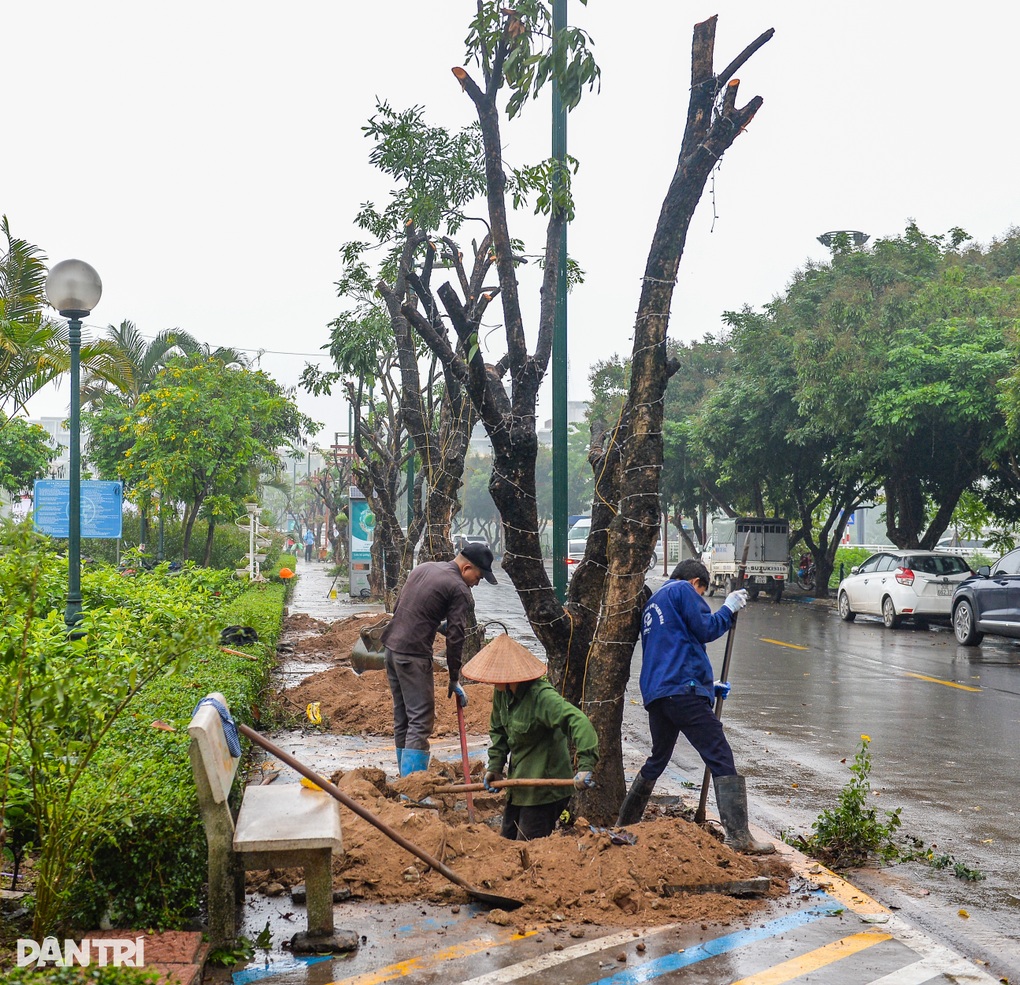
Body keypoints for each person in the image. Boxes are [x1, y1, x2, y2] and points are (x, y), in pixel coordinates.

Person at [616, 558, 774, 854]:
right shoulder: (682, 591)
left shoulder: (654, 603)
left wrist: (707, 686)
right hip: (682, 692)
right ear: (695, 583)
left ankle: (624, 824)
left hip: (660, 694)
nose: (700, 598)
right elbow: (705, 629)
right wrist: (727, 609)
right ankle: (739, 835)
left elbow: (674, 649)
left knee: (658, 758)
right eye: (702, 592)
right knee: (720, 755)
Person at [462, 634, 599, 841]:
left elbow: (578, 721)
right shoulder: (503, 694)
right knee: (506, 843)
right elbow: (498, 731)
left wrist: (586, 765)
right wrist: (495, 768)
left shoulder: (542, 697)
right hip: (519, 786)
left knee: (527, 848)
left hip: (543, 790)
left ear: (510, 676)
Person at [380, 542, 497, 777]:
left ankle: (406, 781)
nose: (478, 582)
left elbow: (402, 607)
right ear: (466, 568)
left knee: (403, 716)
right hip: (413, 656)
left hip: (391, 650)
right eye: (479, 576)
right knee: (420, 720)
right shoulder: (459, 588)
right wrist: (454, 677)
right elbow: (456, 638)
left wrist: (433, 624)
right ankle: (413, 790)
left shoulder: (424, 568)